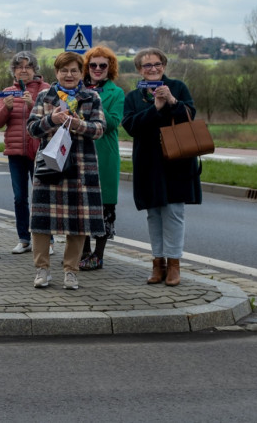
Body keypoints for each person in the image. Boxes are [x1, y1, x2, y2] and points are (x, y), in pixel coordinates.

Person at [122, 47, 202, 286]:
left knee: (174, 212)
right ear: (139, 70)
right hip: (148, 162)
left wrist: (172, 101)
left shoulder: (177, 87)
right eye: (147, 66)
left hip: (176, 160)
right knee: (154, 214)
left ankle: (175, 263)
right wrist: (155, 108)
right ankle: (158, 264)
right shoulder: (134, 96)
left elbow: (190, 114)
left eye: (157, 64)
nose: (153, 69)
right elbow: (131, 127)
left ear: (164, 66)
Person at [26, 51, 105, 290]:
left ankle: (71, 271)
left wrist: (77, 123)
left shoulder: (91, 97)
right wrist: (53, 119)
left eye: (73, 70)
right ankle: (42, 270)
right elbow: (31, 129)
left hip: (81, 167)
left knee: (79, 222)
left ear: (81, 73)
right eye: (63, 71)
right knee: (40, 221)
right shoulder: (44, 96)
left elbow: (100, 129)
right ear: (56, 73)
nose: (68, 75)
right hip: (50, 166)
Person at [0, 51, 50, 254]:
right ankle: (24, 238)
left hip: (40, 151)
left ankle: (47, 240)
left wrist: (32, 105)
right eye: (19, 67)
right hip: (16, 152)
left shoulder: (45, 89)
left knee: (41, 197)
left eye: (27, 66)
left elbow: (52, 119)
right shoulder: (8, 91)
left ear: (35, 69)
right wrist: (6, 109)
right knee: (19, 197)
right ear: (13, 71)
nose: (23, 70)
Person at [79, 45, 126, 271]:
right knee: (82, 205)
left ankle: (98, 255)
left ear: (110, 68)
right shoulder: (76, 89)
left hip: (104, 156)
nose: (97, 69)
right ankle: (84, 252)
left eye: (102, 65)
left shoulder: (116, 93)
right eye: (93, 65)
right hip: (80, 153)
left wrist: (95, 98)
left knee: (103, 207)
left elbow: (113, 123)